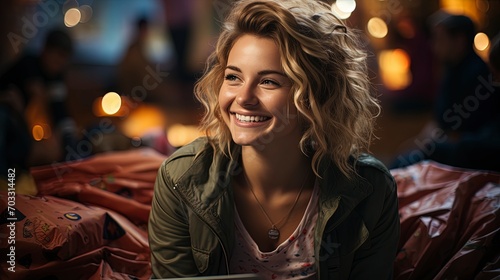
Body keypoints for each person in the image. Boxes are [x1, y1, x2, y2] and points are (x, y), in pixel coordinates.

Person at [148, 0, 400, 279]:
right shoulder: (180, 180)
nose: (243, 98)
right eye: (233, 77)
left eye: (269, 81)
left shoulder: (370, 190)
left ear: (315, 95)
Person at [0, 28, 76, 177]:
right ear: (45, 50)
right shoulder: (29, 64)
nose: (59, 63)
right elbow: (37, 102)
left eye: (63, 59)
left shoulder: (55, 76)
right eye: (57, 56)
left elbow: (59, 110)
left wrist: (68, 137)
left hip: (19, 120)